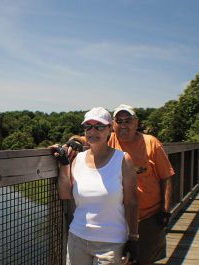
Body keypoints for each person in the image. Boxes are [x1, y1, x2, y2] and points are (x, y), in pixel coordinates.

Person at [66, 104, 175, 265]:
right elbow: (92, 135)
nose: (123, 125)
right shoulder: (111, 140)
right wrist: (74, 141)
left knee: (146, 259)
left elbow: (166, 177)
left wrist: (165, 210)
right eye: (119, 121)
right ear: (113, 125)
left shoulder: (151, 143)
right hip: (120, 220)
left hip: (149, 217)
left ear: (136, 123)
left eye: (128, 121)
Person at [51, 107, 139, 265]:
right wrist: (64, 164)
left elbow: (131, 202)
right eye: (88, 127)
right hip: (77, 238)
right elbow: (65, 194)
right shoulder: (78, 159)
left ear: (110, 129)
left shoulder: (123, 160)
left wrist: (133, 238)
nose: (93, 131)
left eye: (99, 126)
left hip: (111, 243)